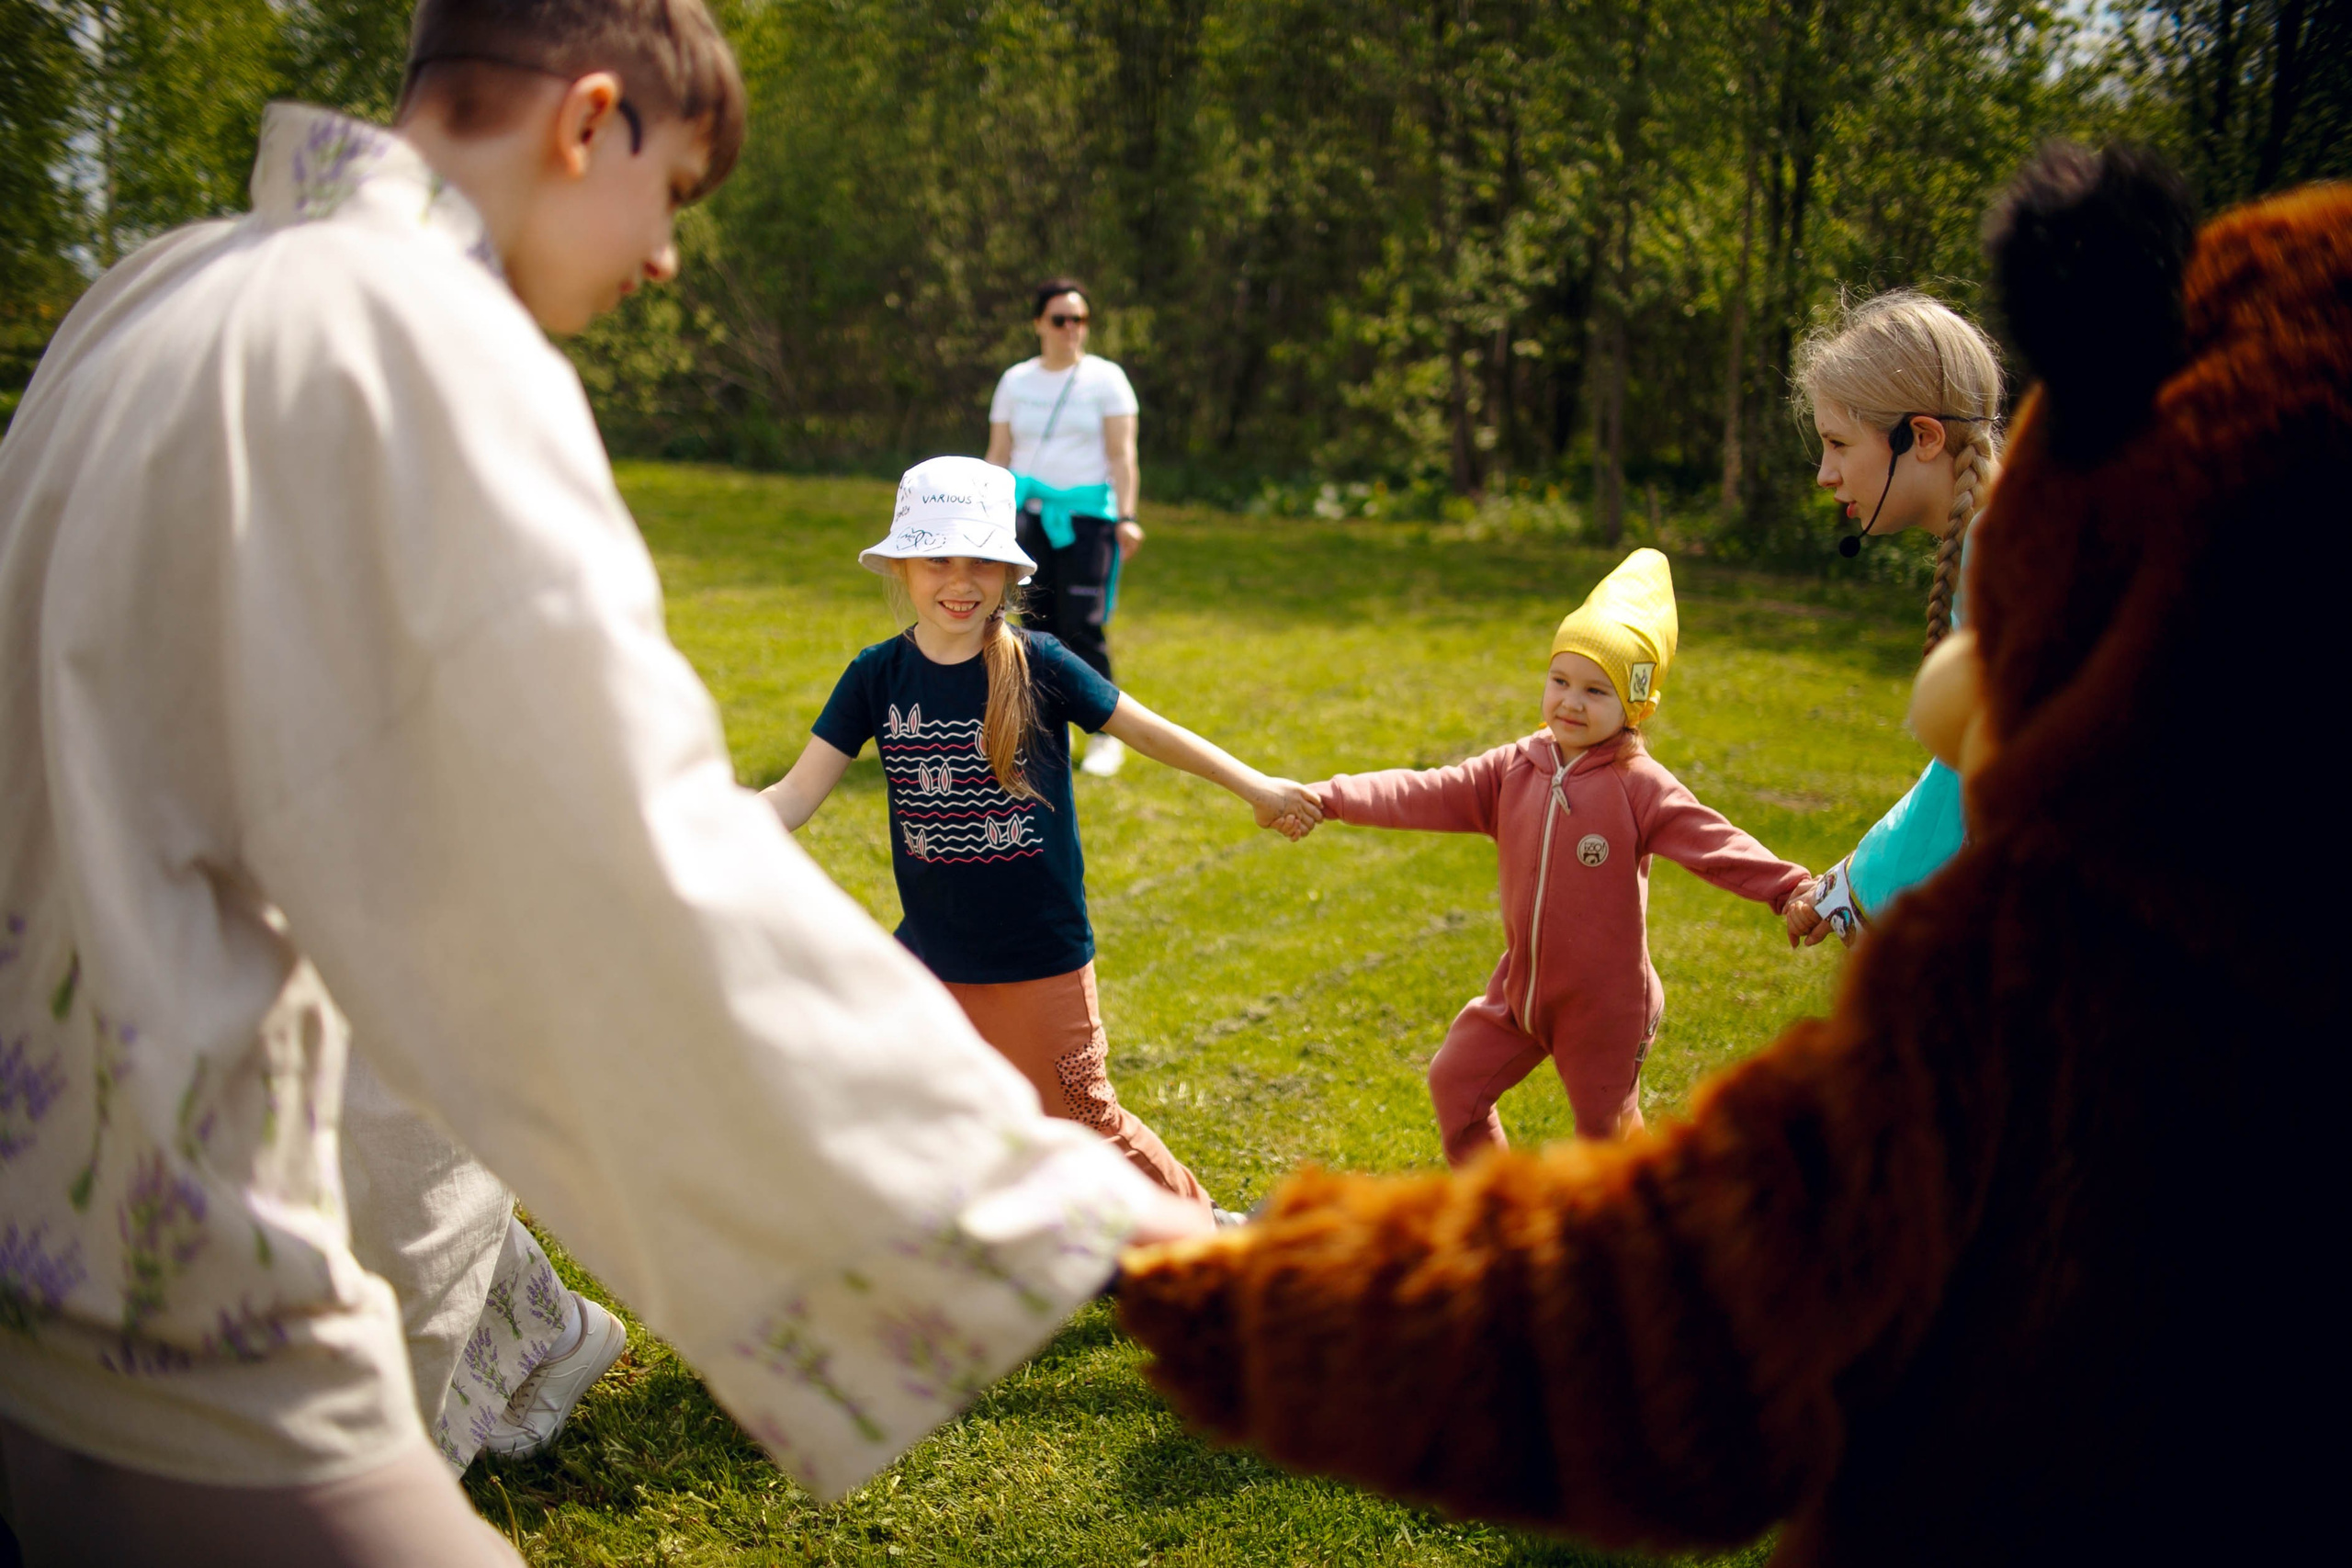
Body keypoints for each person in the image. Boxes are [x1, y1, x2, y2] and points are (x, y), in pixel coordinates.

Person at [0, 5, 1204, 1563]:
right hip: (192, 1260)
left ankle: (527, 1332)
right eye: (677, 195)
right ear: (587, 125)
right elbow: (636, 875)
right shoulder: (424, 351)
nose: (667, 261)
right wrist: (1054, 1218)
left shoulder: (151, 292)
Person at [762, 457, 1318, 1218]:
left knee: (1082, 1114)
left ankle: (1205, 1230)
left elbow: (1149, 731)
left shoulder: (1040, 663)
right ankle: (1011, 1240)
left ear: (1008, 571)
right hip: (932, 953)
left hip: (1039, 952)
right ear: (900, 565)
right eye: (938, 558)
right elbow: (795, 793)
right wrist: (696, 826)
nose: (961, 581)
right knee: (923, 1105)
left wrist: (1257, 787)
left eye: (981, 561)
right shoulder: (875, 677)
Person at [1303, 549, 1811, 1162]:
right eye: (1560, 680)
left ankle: (1637, 1238)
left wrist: (1788, 888)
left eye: (1597, 690)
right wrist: (1329, 797)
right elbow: (1423, 790)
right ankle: (1498, 1213)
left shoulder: (1637, 785)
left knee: (1608, 1143)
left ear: (1635, 704)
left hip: (1605, 1010)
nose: (1571, 701)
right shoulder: (1514, 767)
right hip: (1520, 991)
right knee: (1455, 1081)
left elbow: (1713, 843)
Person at [1781, 291, 2005, 945]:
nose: (1825, 474)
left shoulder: (2004, 561)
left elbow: (1972, 778)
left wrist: (1854, 886)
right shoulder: (2012, 536)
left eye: (1837, 443)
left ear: (1923, 437)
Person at [985, 277, 1141, 777]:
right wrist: (986, 517)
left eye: (1079, 319)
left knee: (1083, 626)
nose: (1071, 329)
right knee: (1033, 627)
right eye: (1060, 319)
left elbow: (1122, 455)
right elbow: (999, 453)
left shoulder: (1107, 378)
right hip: (1027, 517)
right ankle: (1045, 732)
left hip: (1089, 520)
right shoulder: (1016, 381)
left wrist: (1128, 516)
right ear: (1038, 325)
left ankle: (1105, 736)